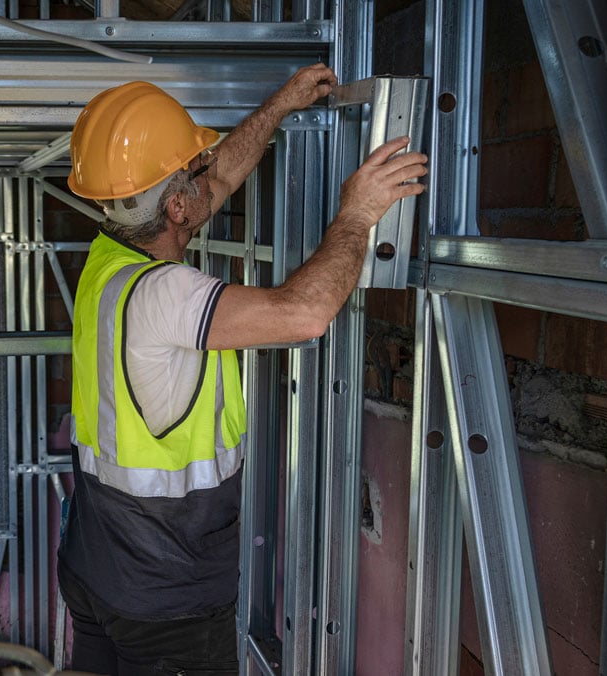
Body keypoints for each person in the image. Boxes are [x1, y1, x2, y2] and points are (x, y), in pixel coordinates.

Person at [58, 64, 428, 675]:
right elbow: (305, 314)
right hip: (165, 603)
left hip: (95, 572)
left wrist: (279, 105)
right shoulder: (165, 295)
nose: (211, 175)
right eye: (193, 174)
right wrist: (357, 216)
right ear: (176, 205)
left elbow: (219, 177)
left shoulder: (108, 260)